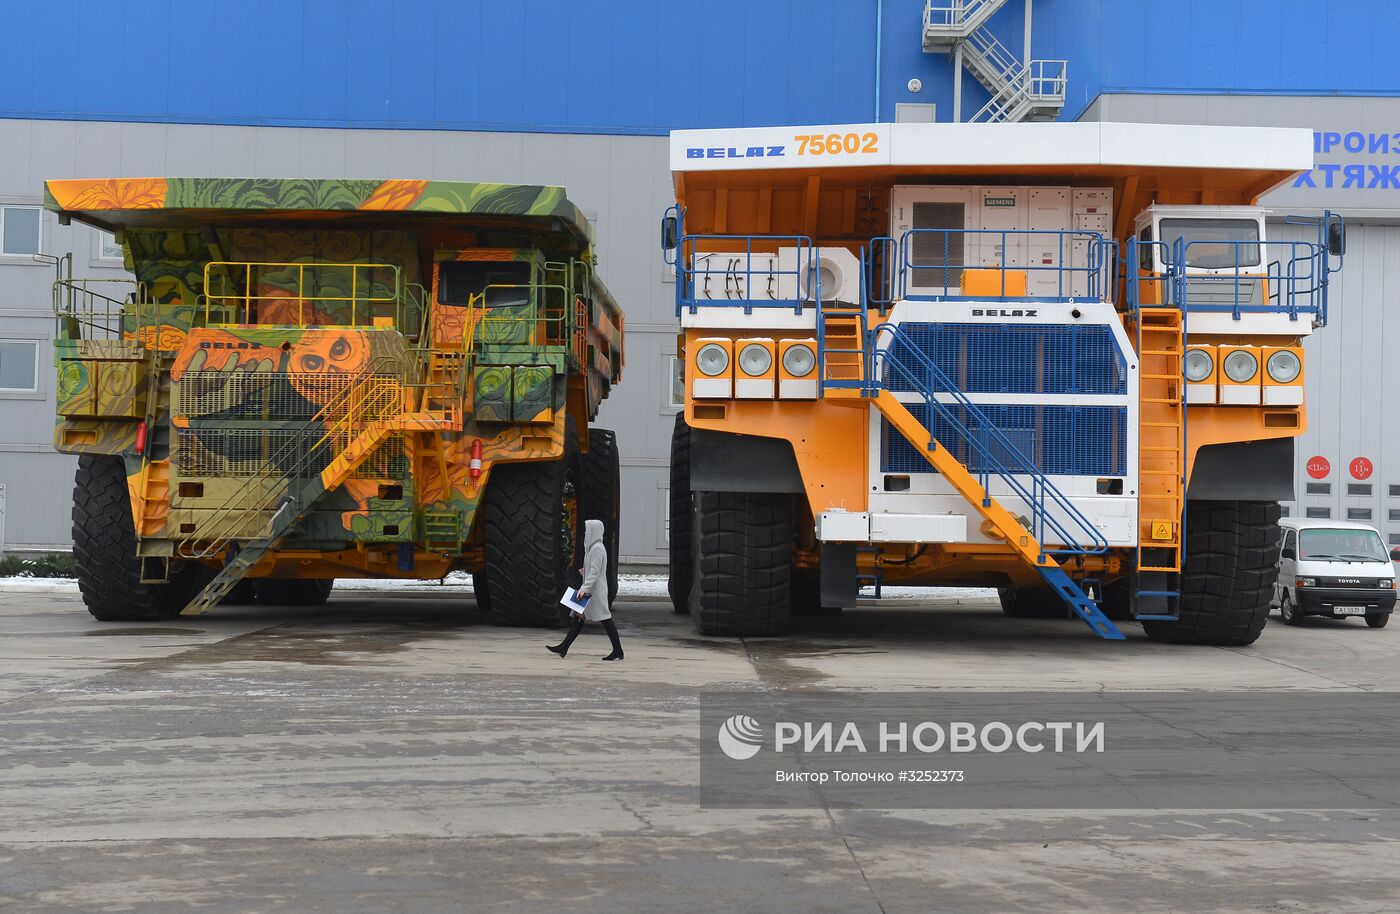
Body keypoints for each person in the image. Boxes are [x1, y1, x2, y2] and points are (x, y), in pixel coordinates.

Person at [547, 519, 623, 661]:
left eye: (588, 530)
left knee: (605, 619)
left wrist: (584, 588)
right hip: (591, 590)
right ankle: (563, 647)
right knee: (579, 617)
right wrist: (585, 571)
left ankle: (618, 650)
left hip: (594, 592)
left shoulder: (597, 549)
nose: (586, 533)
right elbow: (595, 570)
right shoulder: (595, 548)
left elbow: (595, 572)